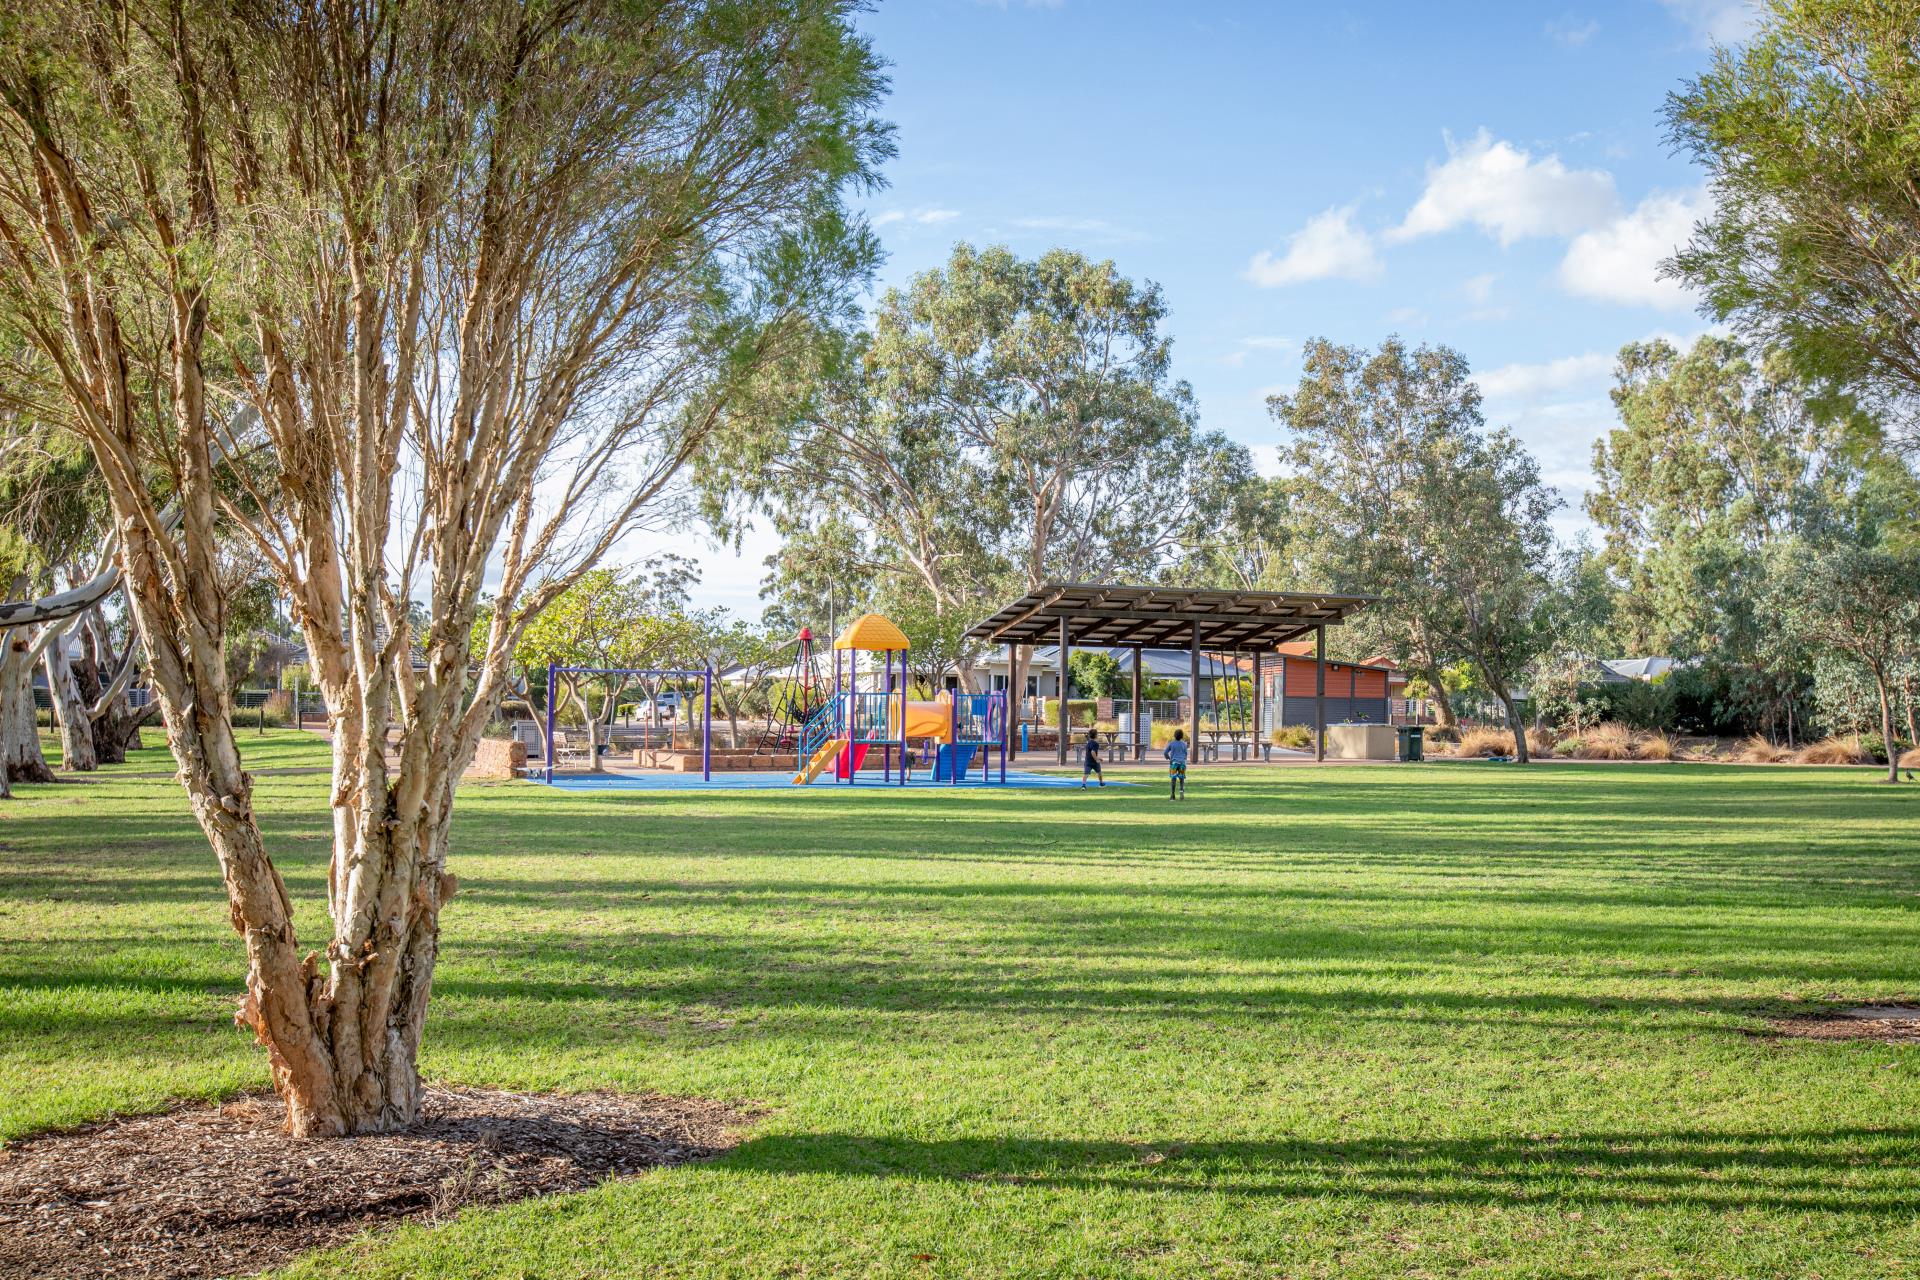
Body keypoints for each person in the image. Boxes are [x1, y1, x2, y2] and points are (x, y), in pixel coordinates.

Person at [1163, 728, 1188, 800]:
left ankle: (1172, 795)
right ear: (1182, 736)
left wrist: (1168, 758)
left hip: (1174, 763)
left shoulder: (1171, 743)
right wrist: (1183, 759)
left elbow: (1165, 753)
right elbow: (1185, 754)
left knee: (1173, 779)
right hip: (1182, 763)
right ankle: (1181, 792)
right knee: (1181, 779)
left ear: (1174, 736)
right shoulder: (1184, 744)